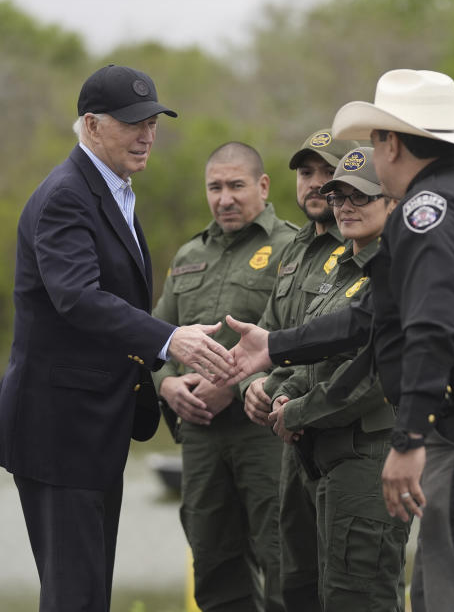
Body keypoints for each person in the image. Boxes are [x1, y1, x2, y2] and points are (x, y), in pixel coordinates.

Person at [224, 69, 454, 612]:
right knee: (439, 595)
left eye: (376, 140)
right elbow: (372, 317)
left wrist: (407, 441)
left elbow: (431, 328)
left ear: (391, 143)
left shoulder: (427, 211)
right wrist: (275, 346)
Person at [0, 64, 235, 612]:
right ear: (91, 126)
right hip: (57, 431)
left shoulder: (113, 192)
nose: (147, 134)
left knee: (87, 596)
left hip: (91, 430)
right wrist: (170, 341)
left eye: (154, 121)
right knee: (75, 597)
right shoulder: (67, 195)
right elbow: (77, 298)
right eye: (132, 122)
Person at [152, 142, 298, 612]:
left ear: (263, 186)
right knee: (212, 562)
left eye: (236, 185)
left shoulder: (292, 247)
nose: (225, 198)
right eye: (215, 187)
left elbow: (301, 337)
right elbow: (158, 337)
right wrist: (167, 385)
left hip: (265, 433)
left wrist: (229, 385)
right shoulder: (189, 253)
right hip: (200, 438)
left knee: (283, 561)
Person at [268, 147, 411, 611]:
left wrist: (296, 412)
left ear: (393, 203)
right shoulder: (337, 269)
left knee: (360, 596)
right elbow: (317, 356)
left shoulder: (401, 271)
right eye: (337, 196)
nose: (345, 207)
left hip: (372, 454)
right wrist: (285, 390)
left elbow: (371, 377)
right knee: (317, 592)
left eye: (361, 196)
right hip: (325, 457)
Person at [239, 128, 356, 612]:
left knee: (354, 588)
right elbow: (268, 334)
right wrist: (251, 385)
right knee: (295, 586)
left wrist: (281, 389)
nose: (315, 184)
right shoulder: (295, 250)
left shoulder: (360, 250)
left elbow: (341, 352)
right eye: (307, 173)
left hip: (345, 437)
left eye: (328, 173)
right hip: (292, 444)